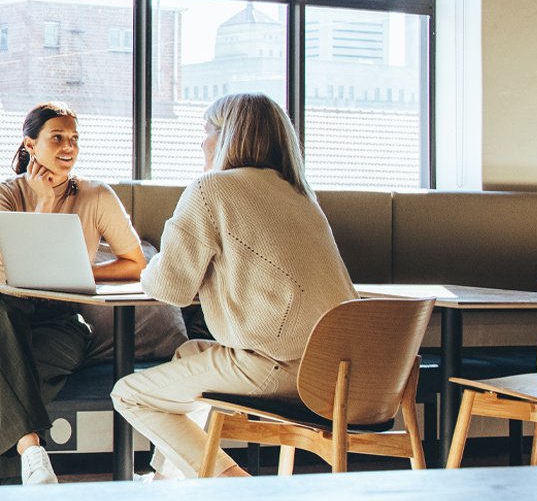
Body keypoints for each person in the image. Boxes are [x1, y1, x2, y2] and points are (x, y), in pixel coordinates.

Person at [110, 92, 357, 480]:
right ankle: (167, 482)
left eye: (207, 130)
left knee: (129, 394)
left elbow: (168, 287)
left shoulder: (211, 190)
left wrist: (145, 263)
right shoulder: (301, 196)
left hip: (278, 367)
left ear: (228, 137)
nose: (201, 141)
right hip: (340, 371)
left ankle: (233, 483)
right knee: (189, 353)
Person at [0, 102, 145, 486]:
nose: (69, 147)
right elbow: (19, 266)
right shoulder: (1, 193)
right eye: (57, 137)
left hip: (61, 322)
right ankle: (32, 451)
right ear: (30, 145)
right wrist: (45, 202)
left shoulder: (97, 196)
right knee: (3, 328)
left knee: (2, 374)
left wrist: (82, 271)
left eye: (74, 139)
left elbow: (136, 263)